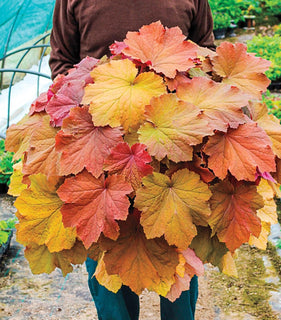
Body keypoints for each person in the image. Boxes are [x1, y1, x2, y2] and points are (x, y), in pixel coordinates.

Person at [49, 1, 215, 319]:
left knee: (178, 276)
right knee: (110, 275)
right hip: (102, 156)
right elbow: (62, 62)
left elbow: (204, 52)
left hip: (174, 153)